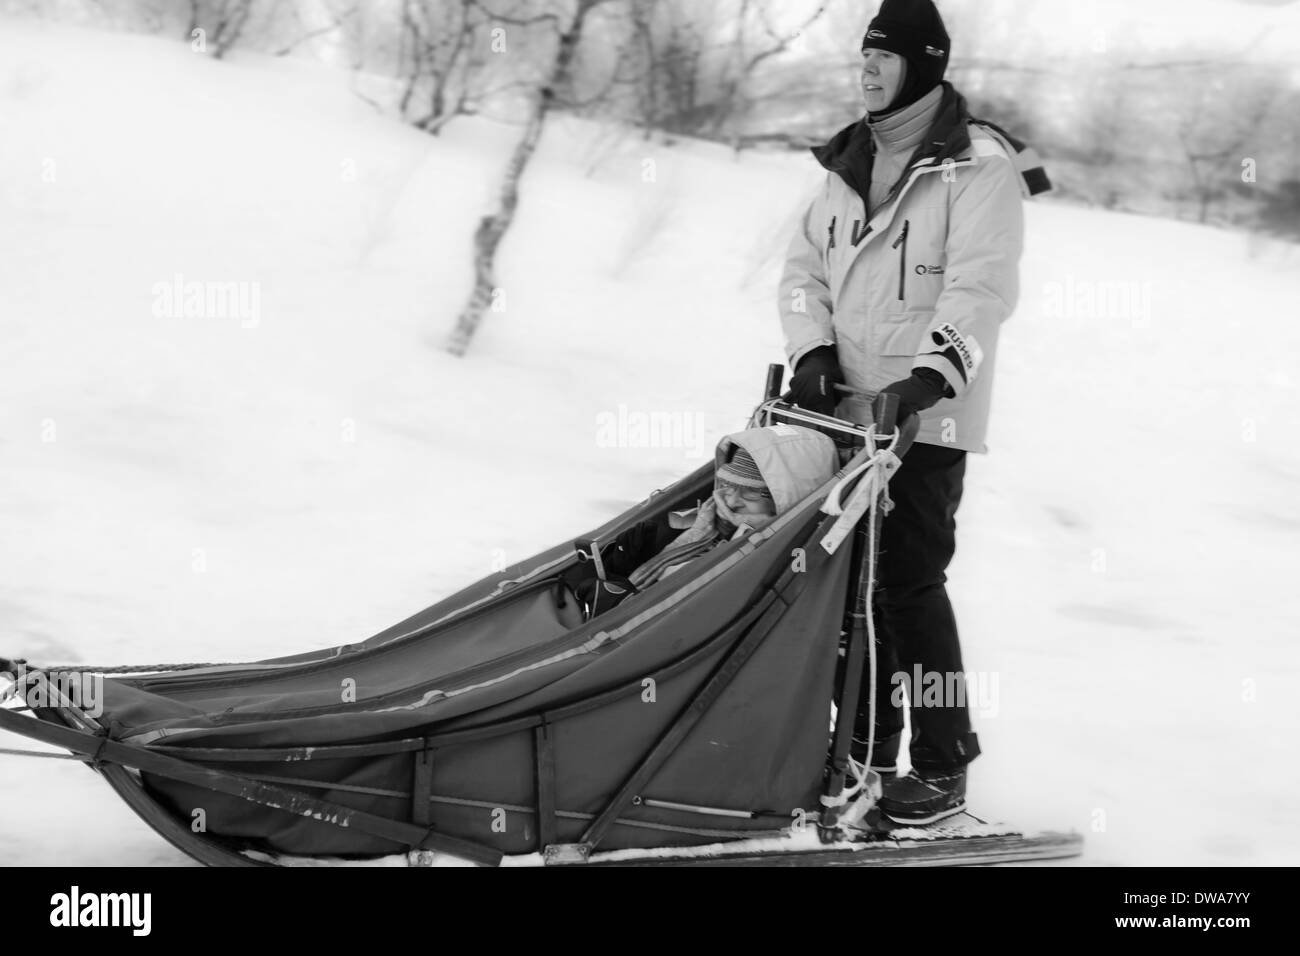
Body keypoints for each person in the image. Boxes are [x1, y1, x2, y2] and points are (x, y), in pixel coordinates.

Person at [779, 0, 1048, 823]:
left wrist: (929, 381)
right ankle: (861, 752)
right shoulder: (845, 164)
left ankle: (940, 763)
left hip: (923, 422)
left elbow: (979, 291)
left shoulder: (978, 170)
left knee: (908, 585)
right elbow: (800, 273)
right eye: (863, 55)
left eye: (884, 57)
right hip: (844, 418)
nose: (866, 70)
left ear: (925, 65)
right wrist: (811, 352)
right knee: (848, 589)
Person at [574, 424, 838, 618]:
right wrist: (628, 566)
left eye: (751, 491)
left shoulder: (769, 558)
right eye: (729, 484)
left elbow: (699, 619)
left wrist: (627, 605)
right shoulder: (704, 523)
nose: (731, 500)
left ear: (786, 497)